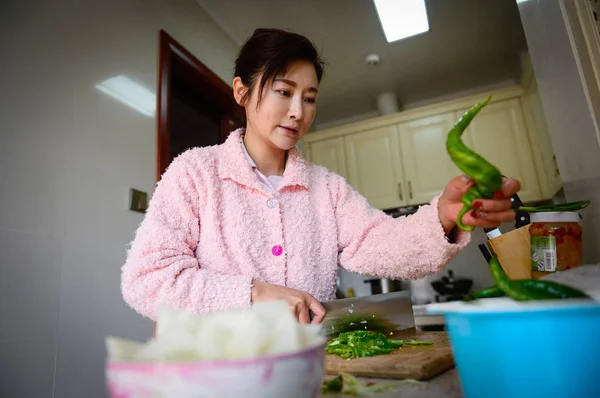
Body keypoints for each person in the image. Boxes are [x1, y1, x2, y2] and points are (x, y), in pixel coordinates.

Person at [121, 28, 520, 325]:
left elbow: (382, 244)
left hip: (309, 372)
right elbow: (147, 281)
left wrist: (444, 216)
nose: (298, 111)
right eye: (284, 91)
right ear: (241, 92)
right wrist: (253, 293)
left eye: (309, 98)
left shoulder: (326, 188)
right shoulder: (195, 173)